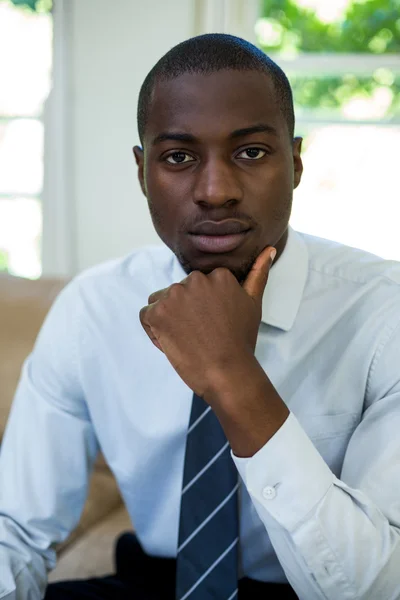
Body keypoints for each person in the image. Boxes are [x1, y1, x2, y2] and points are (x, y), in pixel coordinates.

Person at [0, 32, 400, 600]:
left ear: (297, 162)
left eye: (252, 152)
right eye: (179, 157)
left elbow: (379, 586)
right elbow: (16, 532)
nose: (215, 191)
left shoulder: (384, 311)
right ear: (143, 172)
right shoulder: (93, 308)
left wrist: (233, 376)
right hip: (154, 583)